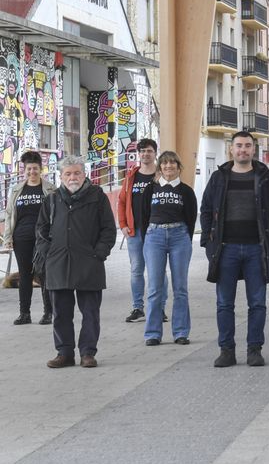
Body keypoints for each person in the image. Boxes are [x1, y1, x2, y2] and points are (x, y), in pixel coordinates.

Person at [201, 131, 269, 368]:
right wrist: (208, 243)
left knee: (257, 303)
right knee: (224, 304)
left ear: (253, 149)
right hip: (225, 249)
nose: (243, 150)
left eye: (247, 146)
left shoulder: (266, 178)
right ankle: (226, 350)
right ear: (231, 149)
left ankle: (254, 349)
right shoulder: (219, 177)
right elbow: (206, 210)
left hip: (255, 250)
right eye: (239, 146)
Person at [36, 156, 117, 368]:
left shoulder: (97, 196)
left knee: (90, 312)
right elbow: (41, 230)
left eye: (77, 173)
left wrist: (99, 253)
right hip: (58, 264)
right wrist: (49, 254)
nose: (73, 177)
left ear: (84, 174)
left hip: (89, 263)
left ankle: (87, 353)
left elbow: (108, 229)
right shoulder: (52, 199)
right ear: (61, 177)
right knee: (61, 313)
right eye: (68, 173)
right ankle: (64, 353)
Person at [142, 151, 198, 346]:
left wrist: (184, 238)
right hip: (154, 236)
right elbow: (143, 216)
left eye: (172, 163)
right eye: (164, 164)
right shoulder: (151, 189)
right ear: (160, 168)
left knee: (180, 288)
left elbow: (191, 218)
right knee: (155, 288)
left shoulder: (186, 191)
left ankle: (181, 332)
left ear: (178, 167)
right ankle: (152, 333)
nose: (168, 167)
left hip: (179, 237)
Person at [4, 150, 55, 326]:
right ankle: (24, 313)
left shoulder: (50, 189)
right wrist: (8, 238)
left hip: (44, 238)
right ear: (24, 170)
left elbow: (57, 214)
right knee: (25, 275)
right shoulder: (17, 189)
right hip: (21, 238)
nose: (32, 172)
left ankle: (48, 313)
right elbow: (10, 214)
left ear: (41, 169)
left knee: (43, 274)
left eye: (35, 168)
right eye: (29, 169)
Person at [117, 138, 161, 323]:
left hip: (157, 231)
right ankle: (138, 308)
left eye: (149, 151)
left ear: (155, 153)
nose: (145, 154)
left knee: (157, 271)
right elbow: (122, 202)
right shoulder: (131, 177)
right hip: (135, 232)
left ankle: (158, 309)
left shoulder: (161, 175)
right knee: (136, 270)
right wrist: (123, 225)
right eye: (142, 151)